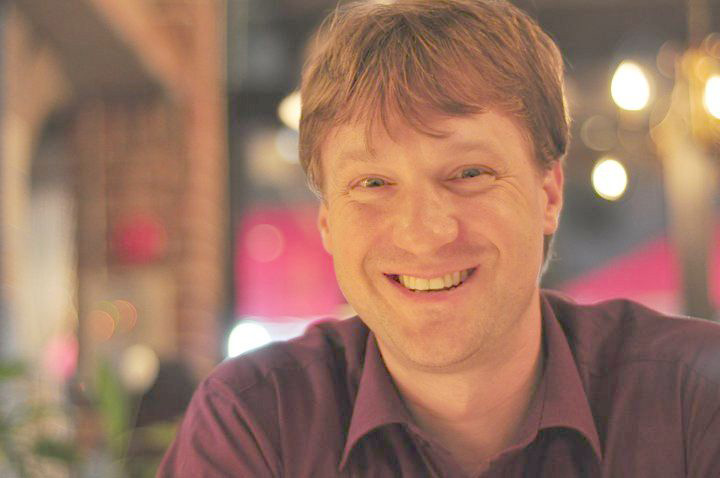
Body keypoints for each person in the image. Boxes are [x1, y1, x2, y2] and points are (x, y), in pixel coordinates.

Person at [158, 1, 720, 476]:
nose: (424, 232)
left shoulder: (695, 397)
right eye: (372, 183)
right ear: (328, 222)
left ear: (548, 194)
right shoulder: (256, 423)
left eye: (470, 173)